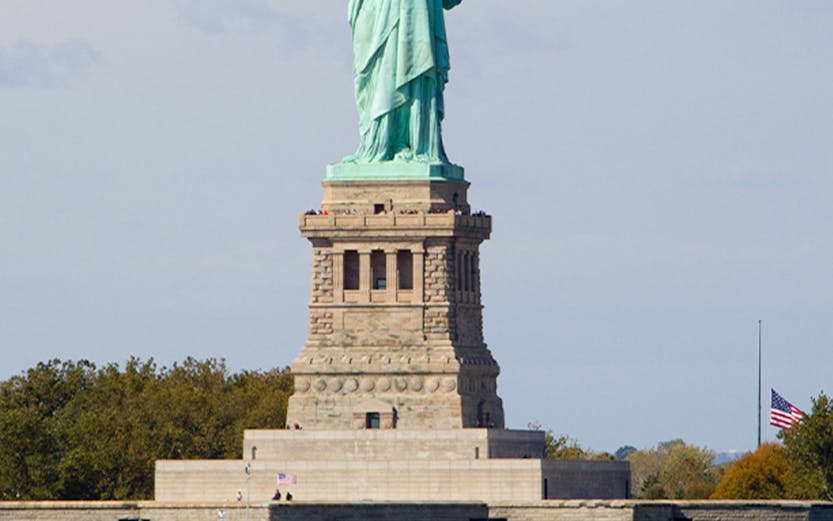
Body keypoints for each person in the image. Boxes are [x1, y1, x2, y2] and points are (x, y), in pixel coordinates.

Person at [344, 0, 464, 164]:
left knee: (408, 66)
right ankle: (377, 142)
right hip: (376, 9)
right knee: (377, 74)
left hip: (414, 8)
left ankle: (408, 141)